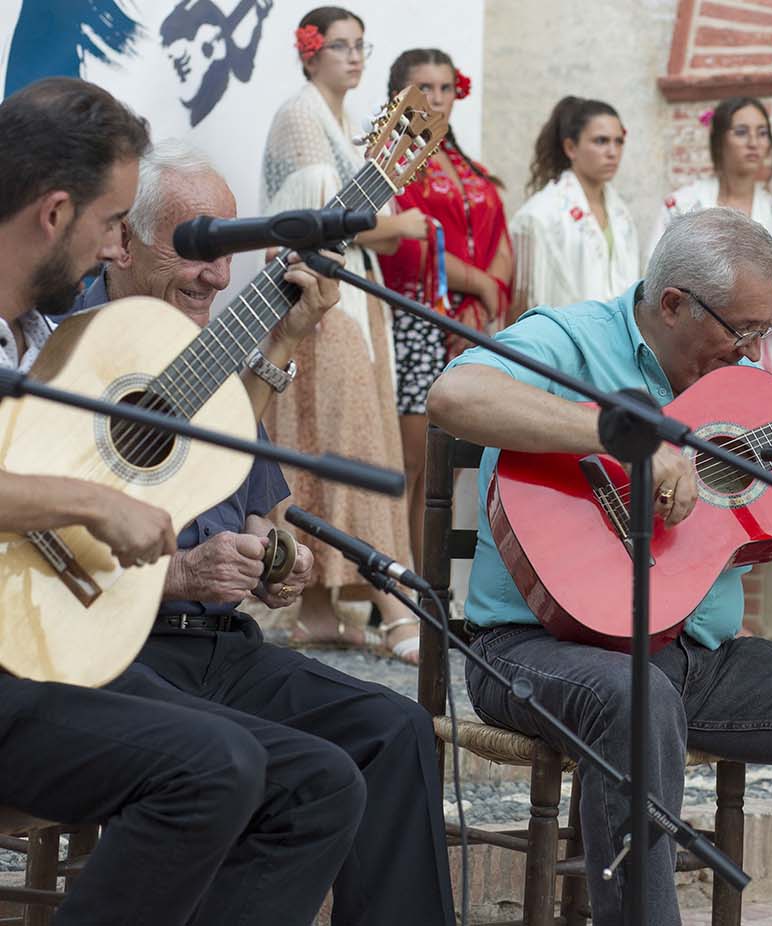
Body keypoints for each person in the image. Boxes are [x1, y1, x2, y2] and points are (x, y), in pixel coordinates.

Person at [426, 207, 772, 926]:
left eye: (763, 331)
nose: (749, 353)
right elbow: (455, 395)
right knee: (638, 700)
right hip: (536, 649)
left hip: (696, 661)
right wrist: (628, 438)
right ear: (672, 302)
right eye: (737, 330)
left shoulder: (748, 401)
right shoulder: (573, 337)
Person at [0, 76, 362, 926]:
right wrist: (88, 507)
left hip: (44, 643)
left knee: (316, 782)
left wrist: (275, 349)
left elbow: (190, 447)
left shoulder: (51, 338)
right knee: (217, 764)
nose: (111, 250)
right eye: (110, 225)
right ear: (55, 214)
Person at [74, 137, 457, 925]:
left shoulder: (213, 363)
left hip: (221, 644)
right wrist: (181, 574)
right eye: (196, 245)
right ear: (122, 242)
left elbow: (263, 509)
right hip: (118, 648)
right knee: (295, 773)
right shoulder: (71, 349)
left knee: (396, 726)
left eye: (228, 247)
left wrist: (282, 557)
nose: (217, 272)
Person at [261, 5, 423, 662]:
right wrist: (397, 227)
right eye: (340, 46)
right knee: (345, 445)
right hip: (318, 299)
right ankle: (393, 603)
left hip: (350, 295)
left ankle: (321, 608)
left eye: (361, 45)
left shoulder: (346, 122)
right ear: (310, 53)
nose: (355, 57)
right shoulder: (300, 117)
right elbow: (321, 221)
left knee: (339, 440)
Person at [378, 47, 513, 567]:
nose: (436, 99)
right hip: (417, 318)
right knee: (417, 460)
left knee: (455, 461)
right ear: (400, 96)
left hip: (470, 322)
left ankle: (438, 580)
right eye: (423, 89)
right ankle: (408, 579)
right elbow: (409, 245)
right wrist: (478, 285)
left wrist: (483, 303)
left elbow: (501, 238)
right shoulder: (391, 163)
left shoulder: (467, 166)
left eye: (444, 88)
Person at [647, 95, 772, 379]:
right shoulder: (684, 205)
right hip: (698, 343)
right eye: (741, 132)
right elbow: (656, 275)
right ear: (719, 139)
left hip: (762, 346)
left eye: (762, 133)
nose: (754, 142)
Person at [510, 95, 638, 318]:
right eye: (601, 141)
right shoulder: (539, 215)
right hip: (562, 343)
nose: (612, 152)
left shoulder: (621, 213)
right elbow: (523, 303)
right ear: (571, 148)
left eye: (619, 141)